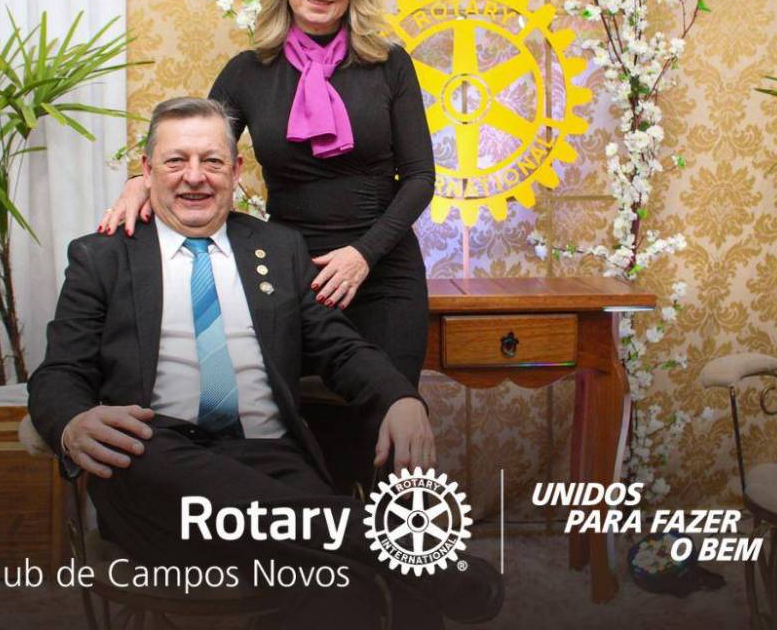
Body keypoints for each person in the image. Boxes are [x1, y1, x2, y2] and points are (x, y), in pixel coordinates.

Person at [29, 98, 501, 630]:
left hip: (269, 460)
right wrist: (71, 423)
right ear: (146, 170)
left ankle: (352, 541)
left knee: (342, 588)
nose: (194, 177)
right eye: (175, 160)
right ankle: (373, 535)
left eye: (211, 161)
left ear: (235, 171)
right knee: (140, 446)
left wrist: (399, 397)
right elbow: (59, 373)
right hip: (159, 469)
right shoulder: (102, 257)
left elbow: (340, 347)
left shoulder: (279, 250)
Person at [100, 0, 434, 391]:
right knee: (284, 418)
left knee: (389, 409)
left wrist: (363, 255)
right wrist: (141, 182)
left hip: (383, 273)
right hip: (284, 276)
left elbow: (421, 177)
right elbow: (195, 148)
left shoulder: (389, 63)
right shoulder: (248, 71)